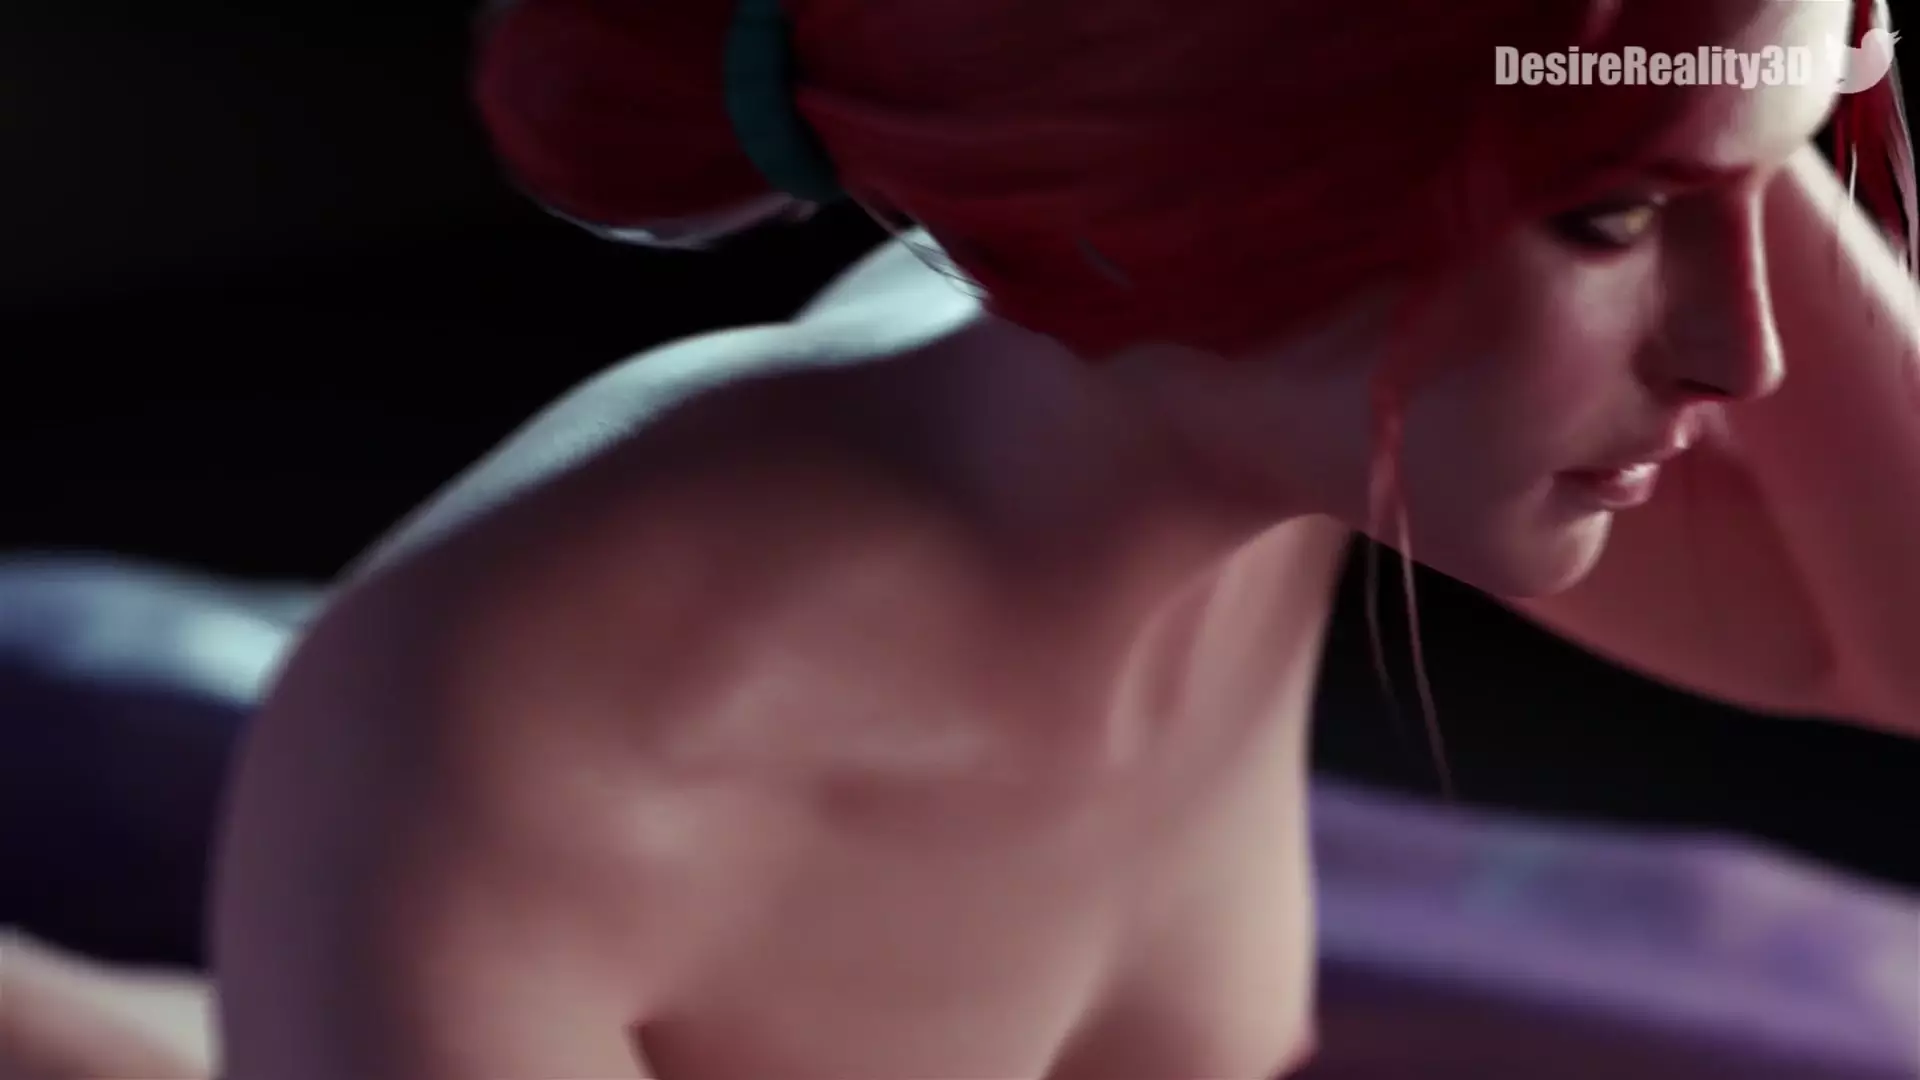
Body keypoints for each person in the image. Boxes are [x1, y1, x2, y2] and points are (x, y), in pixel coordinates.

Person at [11, 0, 1920, 1075]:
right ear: (1203, 192)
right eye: (1610, 222)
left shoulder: (1269, 435)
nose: (1741, 354)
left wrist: (1706, 74)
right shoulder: (531, 730)